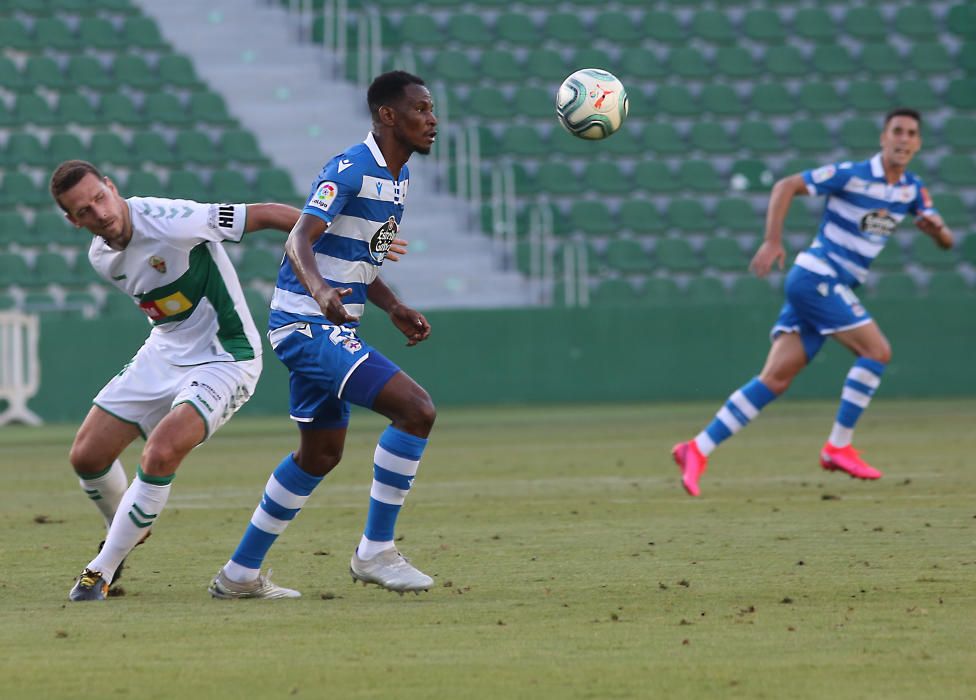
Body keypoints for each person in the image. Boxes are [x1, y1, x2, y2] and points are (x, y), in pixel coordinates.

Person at [208, 70, 438, 600]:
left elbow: (356, 256)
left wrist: (393, 304)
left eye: (431, 109)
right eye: (421, 109)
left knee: (320, 455)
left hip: (327, 322)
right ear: (387, 115)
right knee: (416, 409)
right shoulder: (351, 169)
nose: (432, 119)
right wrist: (319, 291)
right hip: (305, 324)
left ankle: (239, 575)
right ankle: (375, 551)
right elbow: (298, 239)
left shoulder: (398, 178)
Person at [50, 159, 303, 600]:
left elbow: (266, 214)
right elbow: (167, 312)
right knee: (87, 456)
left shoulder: (173, 221)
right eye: (84, 210)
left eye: (100, 197)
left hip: (226, 358)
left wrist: (343, 245)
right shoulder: (101, 258)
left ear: (112, 187)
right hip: (164, 353)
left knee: (161, 450)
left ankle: (100, 571)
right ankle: (124, 531)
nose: (100, 212)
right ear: (73, 221)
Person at [672, 108, 954, 497]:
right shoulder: (852, 174)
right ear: (883, 137)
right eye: (897, 132)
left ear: (918, 143)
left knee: (775, 379)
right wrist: (773, 240)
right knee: (877, 351)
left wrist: (937, 233)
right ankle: (838, 446)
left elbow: (946, 239)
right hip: (816, 276)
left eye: (911, 134)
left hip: (828, 286)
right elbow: (786, 185)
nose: (904, 140)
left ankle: (696, 449)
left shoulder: (912, 190)